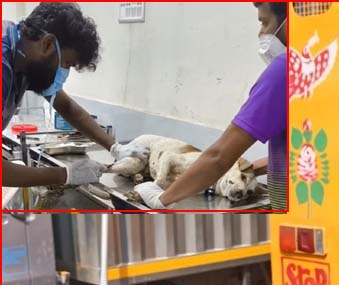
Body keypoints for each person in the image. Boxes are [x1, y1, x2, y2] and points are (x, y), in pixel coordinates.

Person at [131, 2, 287, 210]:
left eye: (265, 23)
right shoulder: (328, 66)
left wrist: (161, 198)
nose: (262, 33)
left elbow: (219, 156)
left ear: (290, 22)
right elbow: (299, 152)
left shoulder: (285, 70)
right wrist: (249, 169)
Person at [2, 3, 113, 188]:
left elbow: (67, 107)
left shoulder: (23, 53)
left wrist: (115, 147)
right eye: (67, 64)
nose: (64, 74)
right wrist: (65, 175)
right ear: (47, 44)